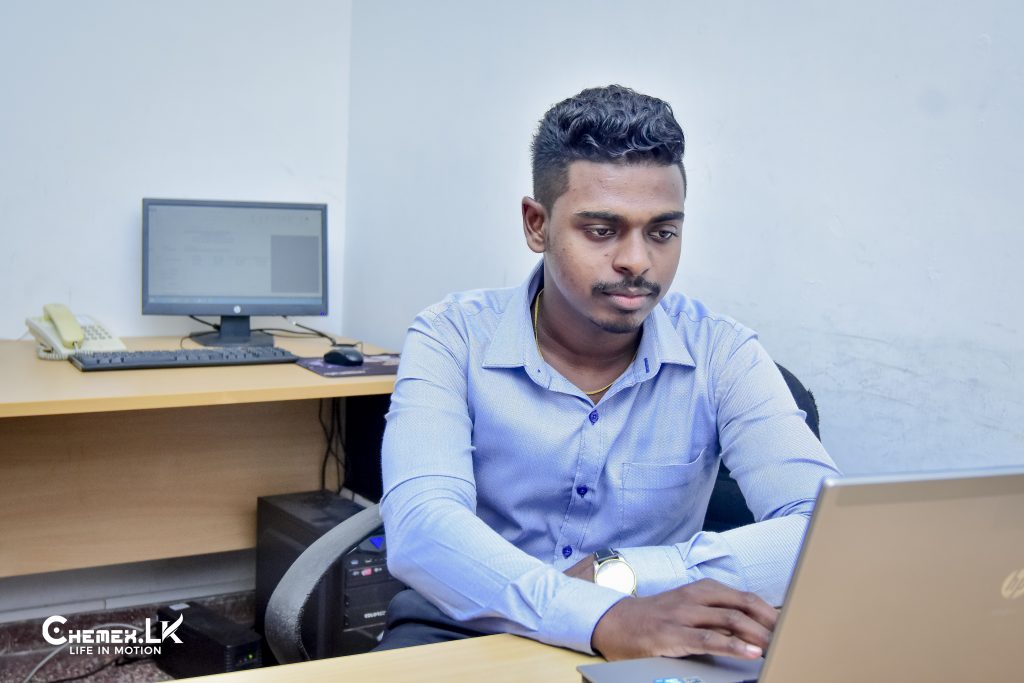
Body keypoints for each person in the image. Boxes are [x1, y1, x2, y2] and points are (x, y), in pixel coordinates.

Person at [376, 85, 840, 661]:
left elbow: (823, 532)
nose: (637, 261)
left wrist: (624, 574)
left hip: (659, 629)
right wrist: (598, 617)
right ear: (537, 225)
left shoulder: (723, 353)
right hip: (472, 619)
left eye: (662, 232)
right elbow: (422, 524)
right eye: (601, 231)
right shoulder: (452, 336)